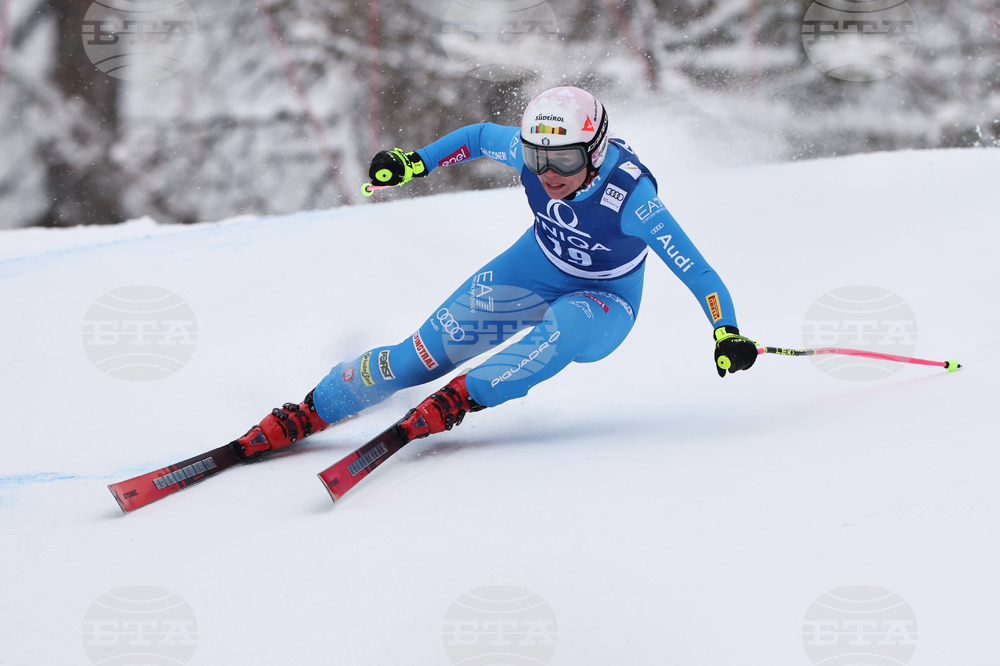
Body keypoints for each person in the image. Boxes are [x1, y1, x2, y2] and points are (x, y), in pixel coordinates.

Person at [229, 86, 758, 461]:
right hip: (533, 268)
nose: (548, 173)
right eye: (536, 157)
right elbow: (481, 137)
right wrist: (416, 162)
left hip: (605, 302)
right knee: (418, 359)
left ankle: (465, 396)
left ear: (595, 154)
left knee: (566, 325)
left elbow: (700, 272)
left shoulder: (634, 198)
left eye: (567, 161)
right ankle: (313, 408)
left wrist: (725, 330)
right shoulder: (538, 158)